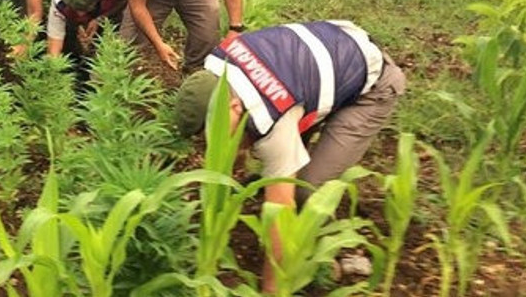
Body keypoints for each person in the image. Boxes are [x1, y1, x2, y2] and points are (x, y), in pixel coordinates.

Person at [174, 20, 406, 293]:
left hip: (372, 86)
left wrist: (272, 289)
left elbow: (280, 212)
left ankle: (332, 250)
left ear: (234, 106)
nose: (212, 144)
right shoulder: (217, 69)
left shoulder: (273, 121)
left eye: (215, 129)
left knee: (307, 189)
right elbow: (236, 137)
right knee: (270, 161)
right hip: (329, 48)